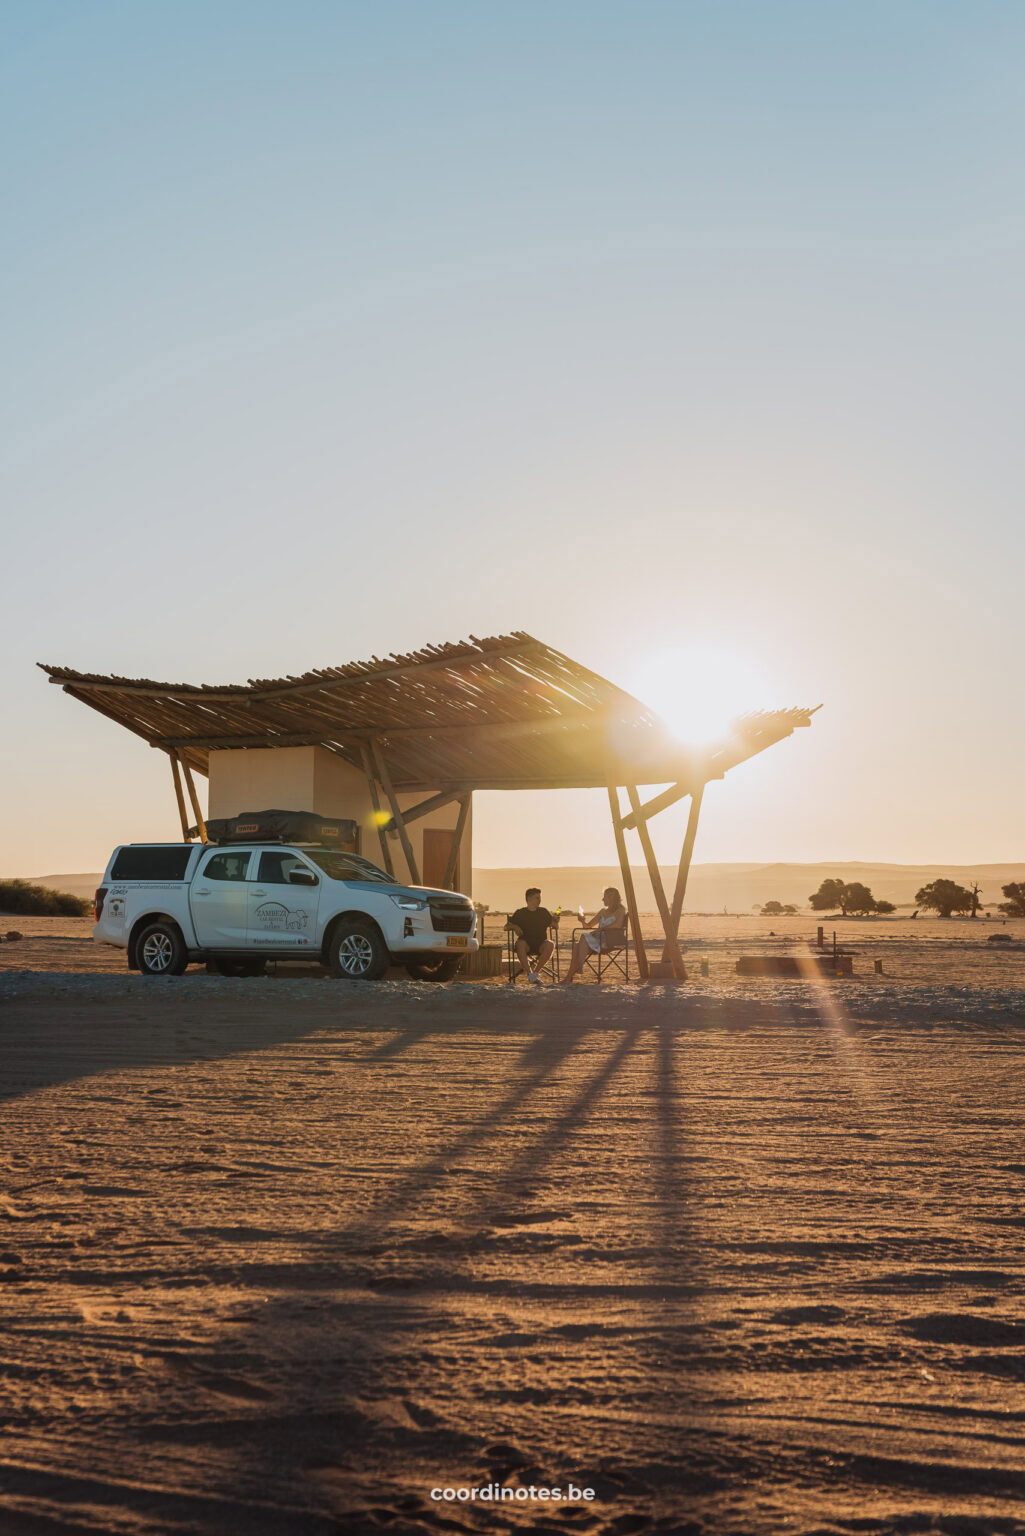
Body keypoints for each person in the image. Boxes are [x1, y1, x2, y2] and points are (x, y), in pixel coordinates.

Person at [562, 887, 627, 983]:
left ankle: (578, 967)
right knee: (576, 945)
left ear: (611, 898)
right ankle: (569, 977)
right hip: (599, 939)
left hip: (611, 940)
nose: (602, 899)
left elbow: (617, 925)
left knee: (583, 937)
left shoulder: (621, 910)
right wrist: (582, 920)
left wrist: (600, 930)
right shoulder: (602, 911)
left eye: (604, 897)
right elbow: (588, 926)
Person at [505, 888, 560, 984]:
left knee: (550, 944)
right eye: (537, 898)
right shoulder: (520, 913)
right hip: (526, 944)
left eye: (540, 898)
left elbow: (555, 926)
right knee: (520, 944)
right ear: (529, 899)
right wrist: (515, 926)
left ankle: (535, 974)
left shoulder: (543, 912)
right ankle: (530, 974)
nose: (539, 900)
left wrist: (556, 921)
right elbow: (506, 927)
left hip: (541, 944)